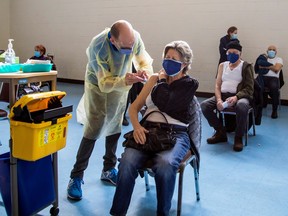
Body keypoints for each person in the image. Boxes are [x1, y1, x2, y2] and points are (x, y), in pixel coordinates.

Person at [67, 20, 153, 200]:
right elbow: (104, 84)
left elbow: (143, 59)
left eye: (131, 46)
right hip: (98, 85)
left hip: (121, 83)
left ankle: (108, 169)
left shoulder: (133, 38)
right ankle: (76, 176)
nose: (129, 51)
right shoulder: (98, 46)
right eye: (125, 47)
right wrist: (126, 81)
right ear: (113, 40)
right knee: (94, 127)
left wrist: (143, 71)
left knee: (115, 123)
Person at [110, 40, 199, 216]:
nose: (168, 61)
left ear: (185, 64)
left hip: (176, 134)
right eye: (166, 57)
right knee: (127, 163)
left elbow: (167, 103)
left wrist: (163, 80)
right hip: (148, 131)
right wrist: (136, 127)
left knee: (165, 164)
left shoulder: (189, 85)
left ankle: (162, 213)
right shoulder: (152, 80)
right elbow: (134, 108)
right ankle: (118, 213)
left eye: (174, 59)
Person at [201, 40, 254, 152]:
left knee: (242, 106)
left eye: (235, 53)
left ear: (240, 54)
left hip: (240, 96)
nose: (232, 55)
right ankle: (220, 132)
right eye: (229, 53)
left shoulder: (246, 66)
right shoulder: (222, 65)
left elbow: (249, 88)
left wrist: (236, 97)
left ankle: (238, 137)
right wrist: (219, 99)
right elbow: (217, 85)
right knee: (205, 105)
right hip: (223, 95)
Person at [254, 45, 283, 119]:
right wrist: (272, 67)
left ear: (276, 52)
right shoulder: (263, 58)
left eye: (273, 50)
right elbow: (259, 66)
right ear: (267, 51)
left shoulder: (279, 59)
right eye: (270, 49)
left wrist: (265, 66)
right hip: (262, 77)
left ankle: (274, 111)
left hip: (273, 78)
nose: (271, 51)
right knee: (255, 85)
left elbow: (277, 68)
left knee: (274, 87)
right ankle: (256, 109)